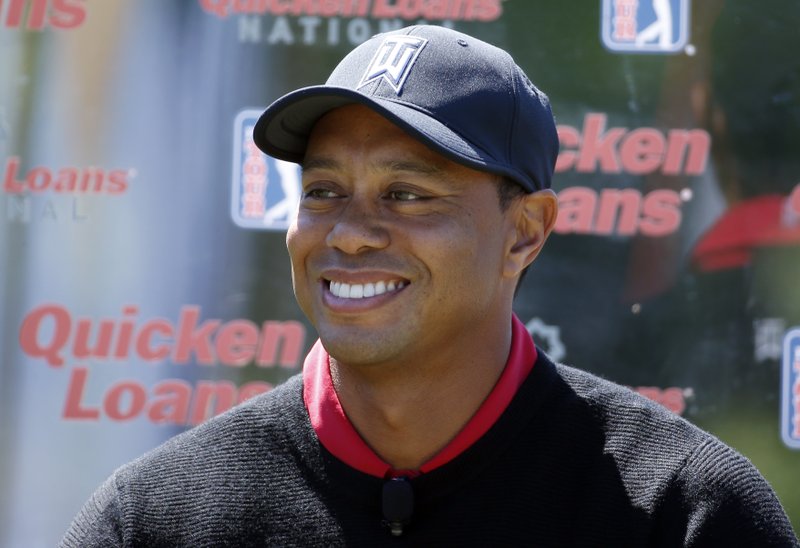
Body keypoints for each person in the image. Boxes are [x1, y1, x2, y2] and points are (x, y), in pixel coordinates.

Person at [61, 25, 798, 547]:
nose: (348, 231)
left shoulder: (687, 514)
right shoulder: (153, 520)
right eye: (322, 191)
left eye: (408, 194)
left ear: (525, 233)